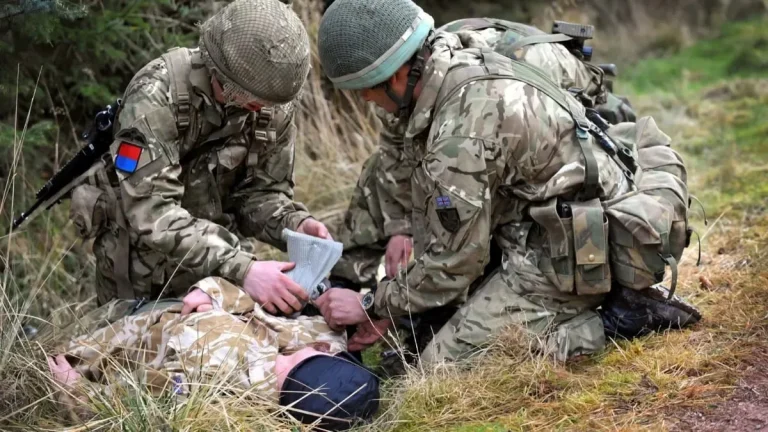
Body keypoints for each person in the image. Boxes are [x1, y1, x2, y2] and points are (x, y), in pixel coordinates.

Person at [315, 0, 699, 363]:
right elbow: (397, 151)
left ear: (396, 75)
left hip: (578, 241)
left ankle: (616, 317)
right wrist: (401, 228)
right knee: (381, 180)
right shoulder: (453, 45)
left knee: (443, 364)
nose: (365, 99)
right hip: (537, 202)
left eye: (364, 90)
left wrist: (375, 306)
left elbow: (453, 264)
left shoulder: (460, 135)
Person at [68, 0, 329, 316]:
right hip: (140, 273)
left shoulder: (272, 102)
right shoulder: (155, 97)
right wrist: (244, 268)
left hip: (219, 271)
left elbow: (260, 195)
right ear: (225, 78)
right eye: (257, 102)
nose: (266, 110)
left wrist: (294, 223)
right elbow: (152, 211)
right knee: (129, 360)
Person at [46, 277, 380, 430]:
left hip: (125, 336)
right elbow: (252, 305)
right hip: (171, 306)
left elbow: (129, 407)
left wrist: (74, 389)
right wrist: (209, 293)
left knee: (51, 356)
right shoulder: (313, 341)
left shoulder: (213, 387)